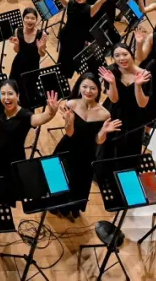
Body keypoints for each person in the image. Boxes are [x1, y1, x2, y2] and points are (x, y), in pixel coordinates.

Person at [0, 73, 59, 203]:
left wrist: (51, 113)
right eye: (3, 94)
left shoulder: (25, 115)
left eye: (10, 94)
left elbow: (40, 118)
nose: (6, 97)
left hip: (10, 159)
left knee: (4, 194)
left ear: (18, 96)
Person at [50, 73, 121, 218]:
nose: (88, 91)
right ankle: (54, 203)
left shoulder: (104, 114)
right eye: (85, 87)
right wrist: (69, 122)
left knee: (78, 182)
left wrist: (103, 132)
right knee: (60, 178)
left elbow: (98, 141)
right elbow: (69, 134)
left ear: (98, 90)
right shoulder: (71, 104)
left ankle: (69, 207)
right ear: (79, 87)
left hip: (87, 153)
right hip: (67, 148)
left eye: (93, 88)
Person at [37, 0, 123, 81]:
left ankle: (66, 76)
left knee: (73, 62)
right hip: (66, 38)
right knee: (62, 60)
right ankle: (61, 77)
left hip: (78, 41)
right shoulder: (69, 4)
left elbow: (100, 1)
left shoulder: (90, 9)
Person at [97, 45, 151, 158]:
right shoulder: (110, 72)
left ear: (131, 55)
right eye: (117, 56)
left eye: (125, 54)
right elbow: (114, 99)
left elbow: (142, 104)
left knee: (129, 147)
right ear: (113, 58)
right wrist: (112, 83)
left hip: (134, 116)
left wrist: (137, 86)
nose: (121, 58)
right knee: (108, 145)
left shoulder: (144, 75)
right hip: (114, 111)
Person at [9, 7, 48, 85]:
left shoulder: (42, 34)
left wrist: (40, 48)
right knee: (14, 87)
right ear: (23, 18)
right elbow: (17, 51)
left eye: (33, 18)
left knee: (29, 88)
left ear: (36, 20)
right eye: (27, 17)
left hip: (33, 67)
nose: (29, 21)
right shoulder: (17, 31)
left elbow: (42, 54)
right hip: (18, 65)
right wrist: (16, 44)